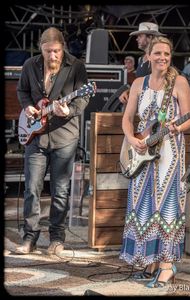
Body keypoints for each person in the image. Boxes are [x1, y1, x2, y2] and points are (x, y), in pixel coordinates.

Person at [119, 36, 190, 288]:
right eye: (158, 53)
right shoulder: (139, 83)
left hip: (169, 153)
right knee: (143, 205)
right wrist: (131, 138)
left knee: (166, 205)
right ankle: (149, 260)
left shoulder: (180, 82)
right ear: (148, 56)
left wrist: (175, 127)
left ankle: (167, 265)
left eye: (167, 54)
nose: (163, 57)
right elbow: (128, 118)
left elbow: (188, 119)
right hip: (141, 150)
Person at [15, 27, 89, 255]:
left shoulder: (76, 66)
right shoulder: (30, 65)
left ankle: (57, 238)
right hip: (36, 137)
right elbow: (22, 91)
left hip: (64, 136)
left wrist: (68, 111)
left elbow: (83, 97)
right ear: (41, 48)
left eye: (56, 51)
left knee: (60, 190)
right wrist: (27, 106)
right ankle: (30, 238)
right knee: (32, 189)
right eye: (48, 52)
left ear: (63, 48)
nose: (53, 56)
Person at [119, 22, 165, 104]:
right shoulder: (141, 59)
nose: (137, 39)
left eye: (140, 36)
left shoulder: (159, 60)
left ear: (150, 37)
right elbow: (141, 83)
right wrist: (130, 91)